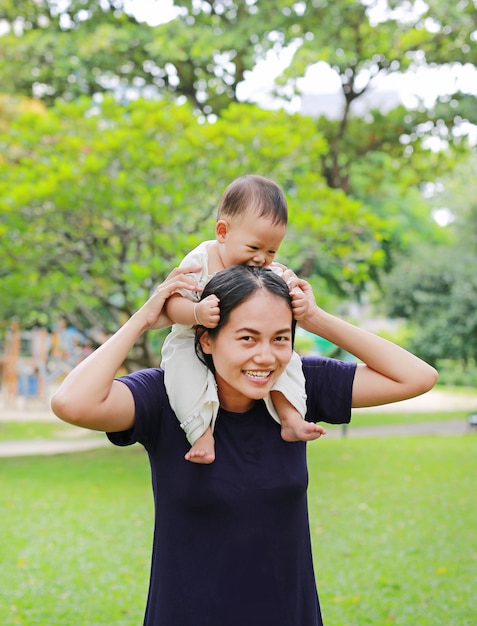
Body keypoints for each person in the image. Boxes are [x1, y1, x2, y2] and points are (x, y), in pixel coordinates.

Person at [51, 264, 438, 626]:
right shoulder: (163, 396)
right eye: (247, 338)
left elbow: (417, 376)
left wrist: (315, 318)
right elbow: (72, 403)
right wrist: (144, 319)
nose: (266, 357)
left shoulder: (299, 389)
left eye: (281, 338)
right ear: (207, 339)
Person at [161, 174, 323, 464]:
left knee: (289, 364)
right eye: (254, 248)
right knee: (183, 375)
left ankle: (290, 417)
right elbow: (172, 304)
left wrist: (299, 300)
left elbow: (286, 296)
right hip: (193, 338)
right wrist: (196, 313)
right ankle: (201, 433)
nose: (262, 259)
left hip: (252, 346)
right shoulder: (199, 261)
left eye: (272, 251)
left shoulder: (268, 272)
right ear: (223, 232)